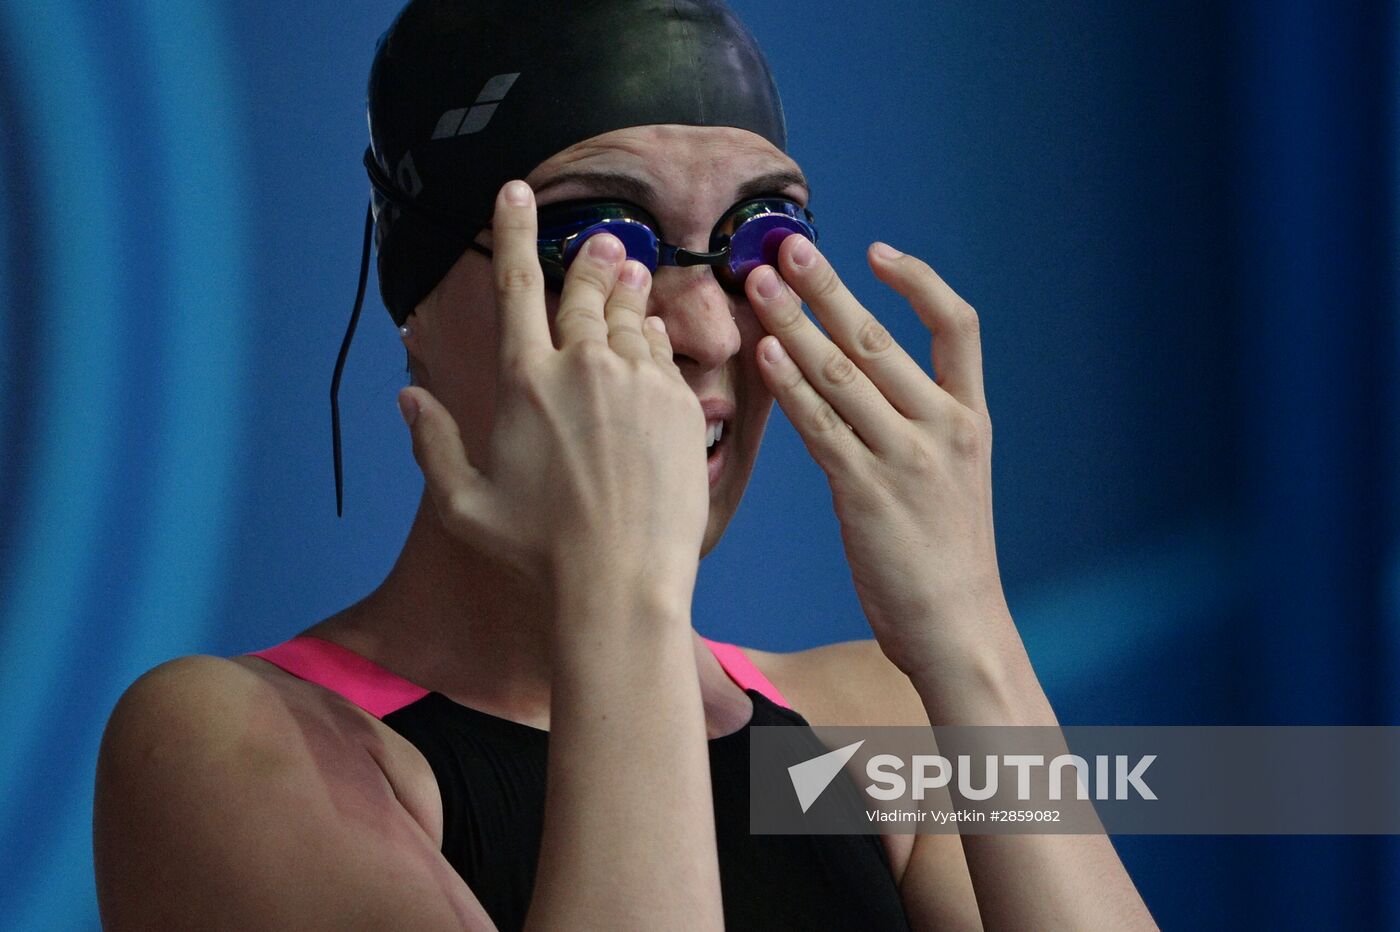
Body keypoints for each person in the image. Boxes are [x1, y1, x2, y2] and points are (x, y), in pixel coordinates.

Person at [93, 1, 1157, 929]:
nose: (709, 327)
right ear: (416, 295)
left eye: (757, 239)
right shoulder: (231, 748)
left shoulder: (870, 726)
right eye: (602, 239)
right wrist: (624, 599)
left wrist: (968, 634)